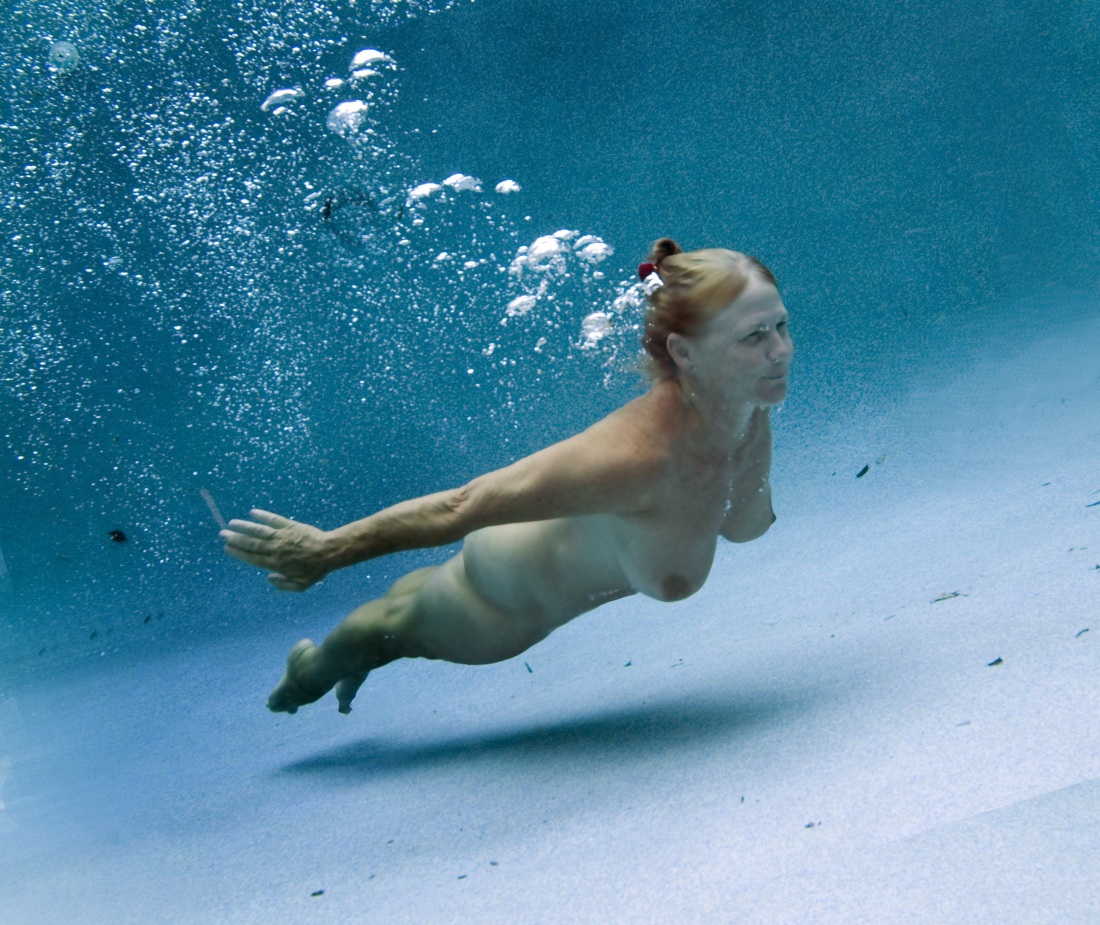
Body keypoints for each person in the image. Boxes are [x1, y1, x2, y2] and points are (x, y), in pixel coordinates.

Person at [221, 238, 794, 715]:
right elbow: (463, 506)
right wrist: (327, 551)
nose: (780, 351)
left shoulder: (743, 410)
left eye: (780, 326)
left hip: (526, 557)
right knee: (380, 632)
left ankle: (365, 644)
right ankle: (307, 675)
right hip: (497, 603)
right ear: (685, 353)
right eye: (753, 336)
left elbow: (739, 518)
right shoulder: (635, 457)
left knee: (403, 607)